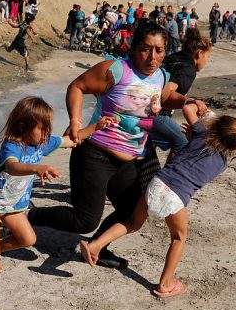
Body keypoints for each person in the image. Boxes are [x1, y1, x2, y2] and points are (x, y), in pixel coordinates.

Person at [28, 22, 188, 269]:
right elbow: (77, 87)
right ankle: (27, 216)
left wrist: (189, 102)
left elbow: (165, 97)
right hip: (95, 154)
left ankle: (98, 247)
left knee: (132, 211)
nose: (152, 57)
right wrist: (75, 122)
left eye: (159, 50)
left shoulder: (161, 76)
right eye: (145, 49)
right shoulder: (116, 70)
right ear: (134, 48)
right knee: (84, 221)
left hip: (130, 159)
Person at [0, 95, 115, 309]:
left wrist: (96, 127)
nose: (46, 134)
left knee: (28, 239)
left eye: (48, 129)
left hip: (14, 205)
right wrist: (37, 168)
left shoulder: (42, 143)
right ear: (23, 126)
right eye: (42, 129)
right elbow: (12, 166)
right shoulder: (12, 146)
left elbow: (71, 140)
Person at [80, 104, 236, 299]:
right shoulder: (221, 163)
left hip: (157, 183)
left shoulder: (201, 134)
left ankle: (95, 246)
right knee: (178, 238)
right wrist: (201, 132)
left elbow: (188, 108)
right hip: (176, 196)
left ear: (215, 126)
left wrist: (204, 111)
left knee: (132, 223)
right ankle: (165, 284)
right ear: (234, 146)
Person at [149, 28, 212, 155]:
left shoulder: (172, 57)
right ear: (199, 54)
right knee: (183, 142)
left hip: (142, 105)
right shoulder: (189, 69)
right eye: (206, 58)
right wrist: (189, 101)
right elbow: (166, 91)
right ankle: (172, 169)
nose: (205, 62)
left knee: (149, 147)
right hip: (156, 113)